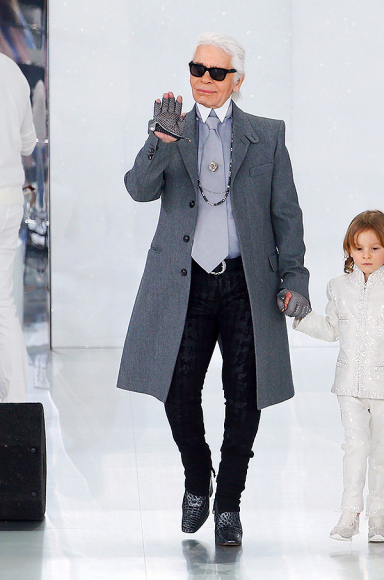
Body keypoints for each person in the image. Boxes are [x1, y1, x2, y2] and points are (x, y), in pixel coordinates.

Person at [117, 33, 310, 546]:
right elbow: (138, 189)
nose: (204, 79)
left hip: (247, 282)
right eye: (197, 69)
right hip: (184, 282)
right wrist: (161, 141)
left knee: (244, 395)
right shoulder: (172, 129)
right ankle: (197, 475)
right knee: (177, 388)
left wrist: (295, 277)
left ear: (237, 80)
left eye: (217, 72)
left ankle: (228, 503)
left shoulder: (267, 134)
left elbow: (286, 214)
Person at [292, 210, 384, 543]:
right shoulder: (338, 288)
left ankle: (379, 518)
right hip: (349, 384)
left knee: (383, 451)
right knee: (354, 446)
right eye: (358, 248)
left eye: (374, 248)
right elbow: (331, 330)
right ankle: (349, 514)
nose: (366, 255)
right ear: (349, 250)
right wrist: (302, 316)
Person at [0, 52, 35, 403]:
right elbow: (28, 143)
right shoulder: (11, 71)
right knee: (2, 303)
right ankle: (15, 403)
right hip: (9, 200)